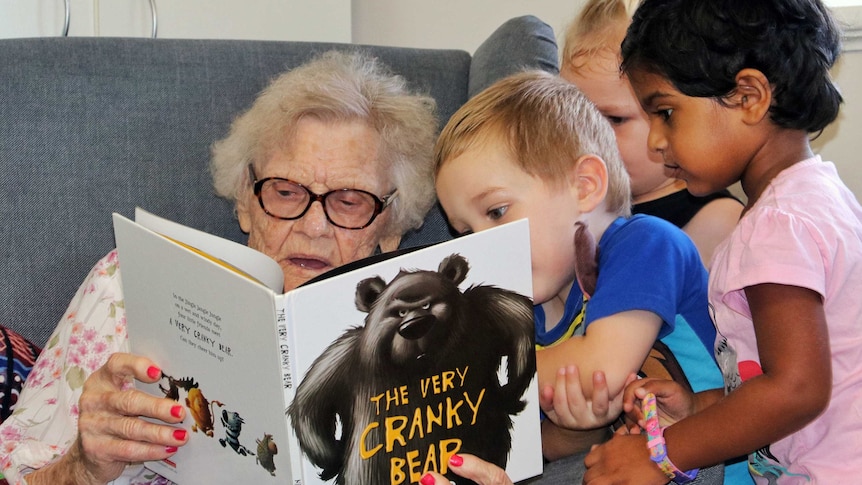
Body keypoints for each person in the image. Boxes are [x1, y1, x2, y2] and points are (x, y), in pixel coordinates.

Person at [0, 50, 439, 485]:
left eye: (348, 201)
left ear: (390, 230)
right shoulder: (128, 286)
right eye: (285, 192)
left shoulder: (429, 338)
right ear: (247, 202)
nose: (313, 226)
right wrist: (81, 467)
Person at [583, 0, 862, 483]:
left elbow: (797, 390)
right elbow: (778, 376)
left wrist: (661, 455)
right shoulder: (812, 195)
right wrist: (700, 406)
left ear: (749, 97)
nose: (655, 141)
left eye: (666, 112)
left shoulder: (778, 225)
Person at [434, 70, 725, 483]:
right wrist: (575, 429)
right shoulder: (525, 315)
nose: (484, 247)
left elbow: (600, 372)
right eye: (465, 234)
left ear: (585, 186)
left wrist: (471, 372)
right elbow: (544, 444)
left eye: (497, 211)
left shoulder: (647, 245)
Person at [559, 0, 743, 268]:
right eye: (572, 118)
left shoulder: (717, 220)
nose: (586, 138)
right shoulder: (580, 207)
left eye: (615, 119)